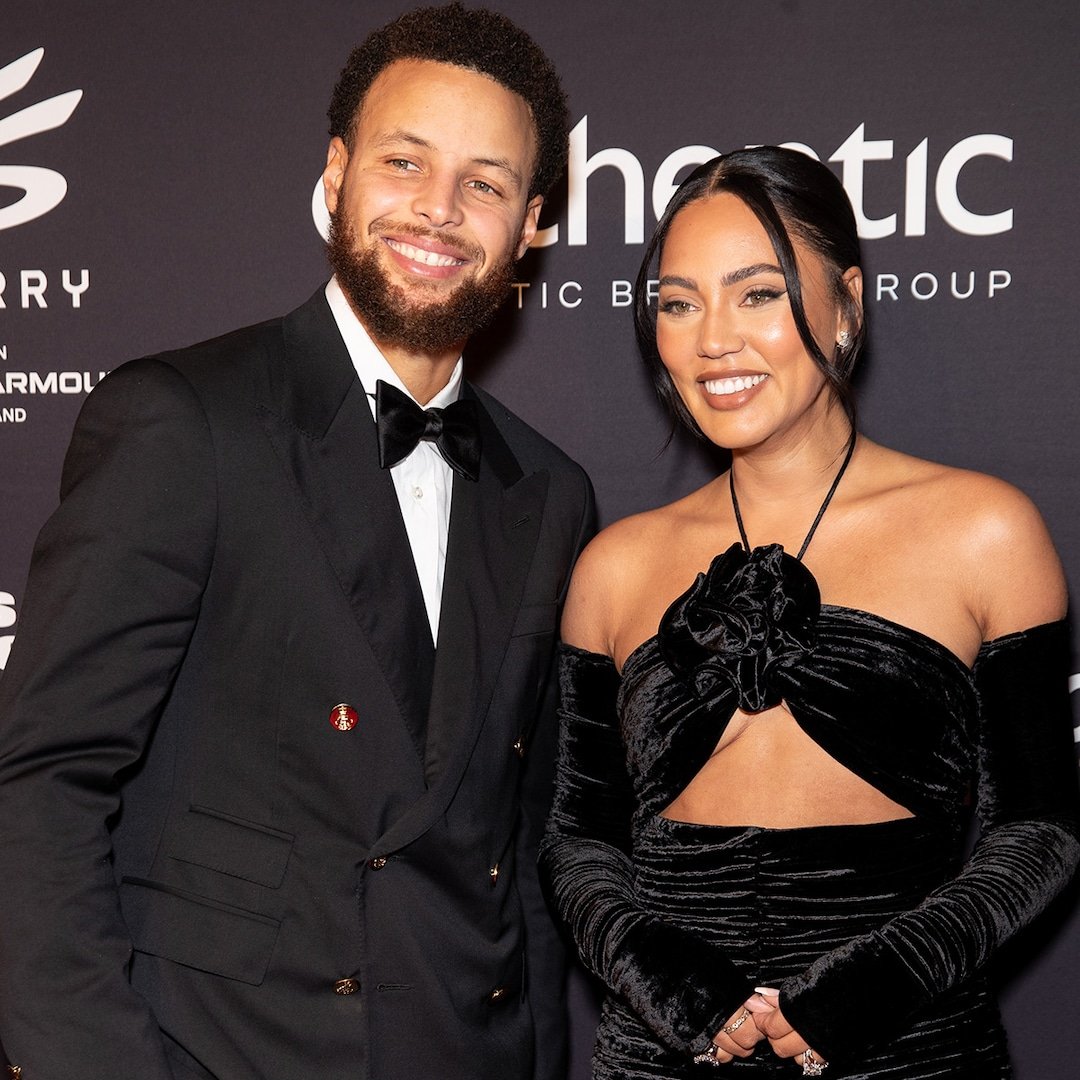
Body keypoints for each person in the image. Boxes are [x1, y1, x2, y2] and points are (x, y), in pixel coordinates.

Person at [0, 6, 593, 1080]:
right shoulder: (187, 420)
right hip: (216, 1051)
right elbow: (40, 785)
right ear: (335, 173)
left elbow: (524, 846)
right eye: (405, 161)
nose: (439, 208)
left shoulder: (549, 491)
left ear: (531, 224)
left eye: (486, 183)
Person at [540, 146, 1079, 1078]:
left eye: (757, 293)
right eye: (678, 302)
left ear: (847, 305)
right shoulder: (613, 568)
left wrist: (872, 987)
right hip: (667, 1056)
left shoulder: (984, 531)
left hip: (912, 1051)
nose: (713, 340)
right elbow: (580, 840)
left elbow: (1039, 829)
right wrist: (671, 984)